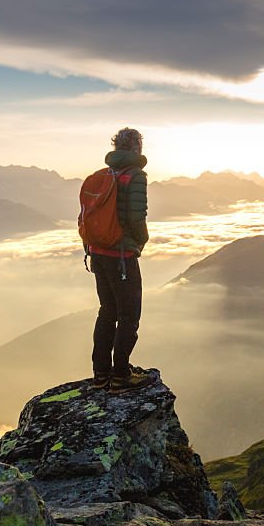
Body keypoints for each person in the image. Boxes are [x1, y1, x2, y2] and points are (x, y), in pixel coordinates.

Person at [84, 127, 152, 392]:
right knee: (129, 315)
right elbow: (137, 217)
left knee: (107, 311)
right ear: (137, 148)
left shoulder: (103, 175)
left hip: (98, 253)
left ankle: (101, 374)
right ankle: (121, 377)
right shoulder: (135, 176)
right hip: (121, 256)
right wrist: (141, 242)